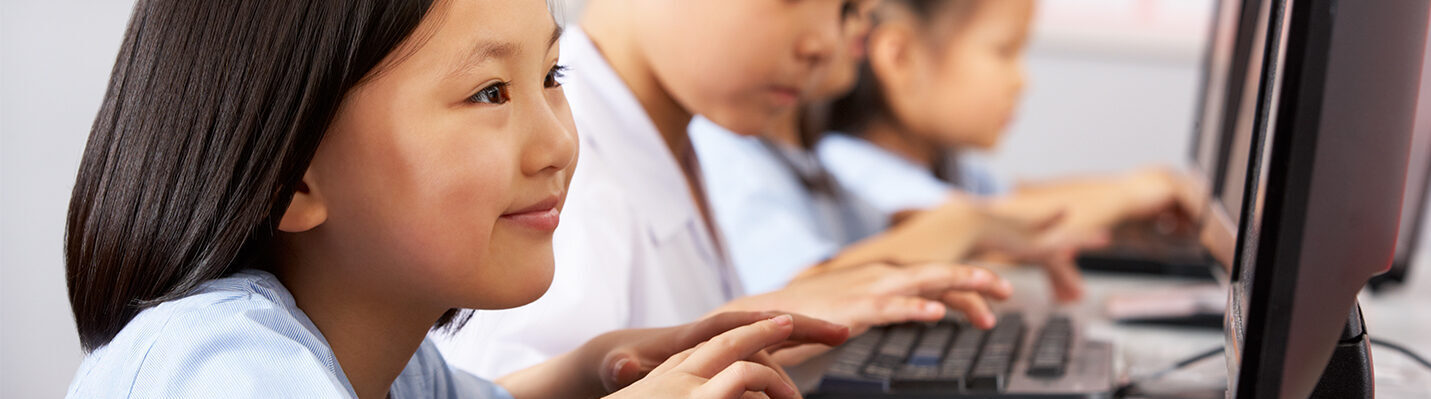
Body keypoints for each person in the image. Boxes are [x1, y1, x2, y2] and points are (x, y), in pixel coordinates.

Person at [63, 1, 848, 398]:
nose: (558, 145)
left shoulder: (393, 365)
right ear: (293, 173)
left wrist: (599, 367)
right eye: (489, 92)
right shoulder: (215, 357)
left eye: (552, 78)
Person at [437, 0, 1018, 380]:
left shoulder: (679, 140)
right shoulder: (566, 162)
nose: (822, 42)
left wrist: (751, 332)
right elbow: (496, 386)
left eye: (842, 9)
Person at [820, 0, 1202, 272]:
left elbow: (1015, 199)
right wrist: (1127, 194)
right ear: (899, 56)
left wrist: (1130, 212)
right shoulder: (849, 163)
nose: (1023, 80)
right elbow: (995, 223)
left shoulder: (942, 165)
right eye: (1004, 51)